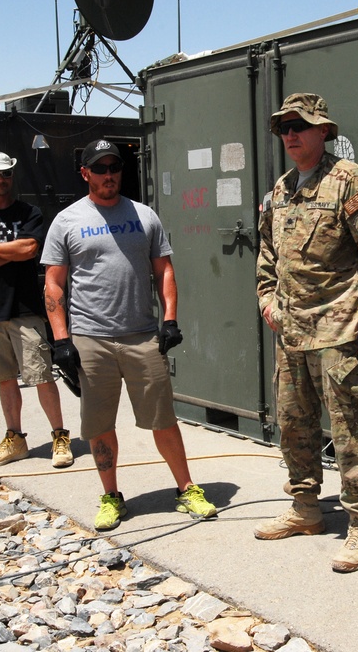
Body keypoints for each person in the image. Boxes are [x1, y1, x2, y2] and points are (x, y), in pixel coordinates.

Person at [255, 93, 358, 573]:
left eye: (300, 126)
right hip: (291, 331)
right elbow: (266, 255)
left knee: (349, 431)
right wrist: (266, 298)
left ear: (324, 131)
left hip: (341, 329)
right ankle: (305, 509)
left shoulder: (348, 182)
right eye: (284, 128)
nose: (291, 134)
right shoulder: (280, 190)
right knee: (294, 424)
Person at [41, 139, 216, 531]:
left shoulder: (144, 216)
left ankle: (187, 489)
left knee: (162, 418)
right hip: (91, 339)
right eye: (99, 168)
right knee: (99, 424)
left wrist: (169, 319)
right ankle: (111, 497)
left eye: (114, 167)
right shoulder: (66, 221)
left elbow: (164, 271)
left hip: (141, 336)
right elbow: (54, 286)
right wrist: (62, 340)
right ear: (85, 173)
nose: (108, 175)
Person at [0, 152, 73, 470]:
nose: (0, 180)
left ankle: (60, 437)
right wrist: (12, 252)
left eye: (6, 174)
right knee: (5, 379)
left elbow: (29, 249)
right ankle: (15, 439)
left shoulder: (29, 213)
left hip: (25, 310)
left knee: (42, 376)